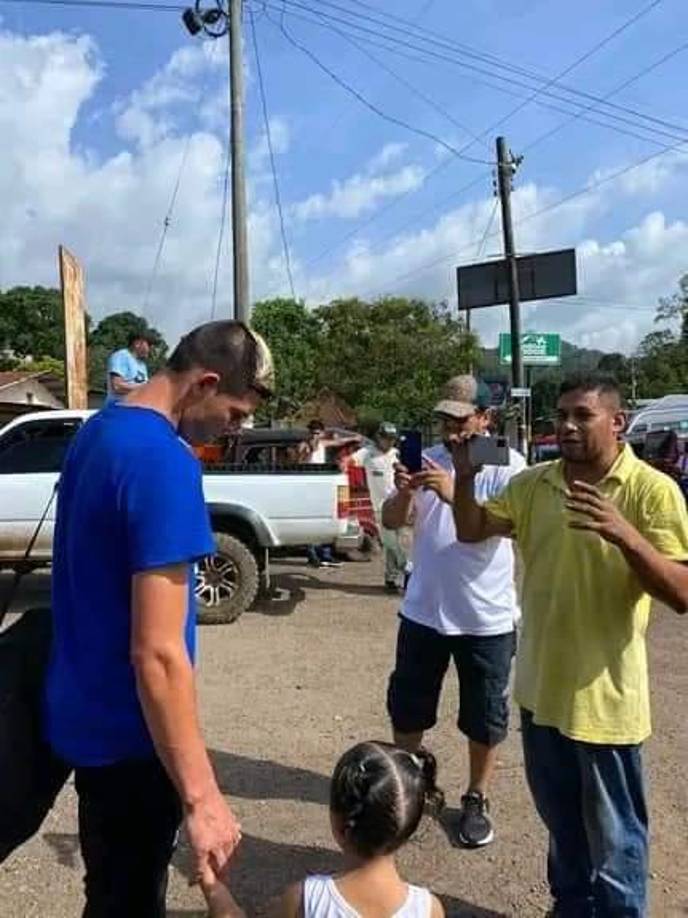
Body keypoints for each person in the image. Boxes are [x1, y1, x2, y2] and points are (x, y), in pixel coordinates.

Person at [44, 321, 274, 918]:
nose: (234, 428)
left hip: (87, 721)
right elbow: (159, 652)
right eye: (235, 413)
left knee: (109, 891)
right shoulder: (164, 462)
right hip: (134, 740)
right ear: (206, 383)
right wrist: (202, 798)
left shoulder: (99, 430)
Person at [452, 373, 688, 917]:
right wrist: (464, 479)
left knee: (617, 840)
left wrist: (625, 535)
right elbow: (471, 530)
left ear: (617, 421)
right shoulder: (534, 484)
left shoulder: (652, 490)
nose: (567, 426)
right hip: (541, 694)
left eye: (583, 415)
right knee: (562, 826)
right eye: (561, 415)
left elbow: (681, 593)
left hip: (605, 702)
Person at [381, 375, 525, 848]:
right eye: (445, 420)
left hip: (485, 617)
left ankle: (477, 796)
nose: (452, 431)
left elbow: (504, 527)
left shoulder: (507, 466)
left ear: (486, 418)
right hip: (424, 610)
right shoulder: (428, 458)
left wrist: (453, 490)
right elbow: (391, 521)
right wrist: (405, 493)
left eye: (462, 421)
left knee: (485, 715)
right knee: (408, 706)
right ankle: (408, 784)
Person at [202, 742, 445, 918]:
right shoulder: (428, 909)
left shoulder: (306, 899)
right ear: (409, 825)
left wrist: (213, 887)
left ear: (339, 822)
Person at [352, 422, 408, 593]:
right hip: (380, 507)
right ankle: (408, 569)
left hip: (398, 503)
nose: (390, 442)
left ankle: (391, 579)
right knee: (390, 542)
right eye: (387, 438)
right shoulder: (367, 453)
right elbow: (350, 461)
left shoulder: (396, 454)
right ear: (379, 437)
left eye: (392, 439)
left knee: (395, 543)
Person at [305, 419, 343, 569]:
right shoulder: (304, 445)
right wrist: (309, 450)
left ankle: (325, 554)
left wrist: (354, 438)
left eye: (317, 433)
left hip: (321, 487)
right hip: (308, 488)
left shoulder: (323, 444)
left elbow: (337, 443)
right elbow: (298, 461)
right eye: (312, 433)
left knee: (325, 521)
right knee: (311, 523)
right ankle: (312, 556)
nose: (315, 436)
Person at [105, 331, 152, 404]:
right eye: (149, 345)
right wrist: (146, 388)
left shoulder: (142, 365)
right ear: (137, 344)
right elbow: (117, 387)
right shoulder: (121, 356)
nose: (150, 349)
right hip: (119, 407)